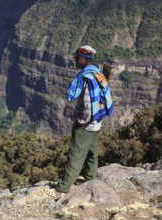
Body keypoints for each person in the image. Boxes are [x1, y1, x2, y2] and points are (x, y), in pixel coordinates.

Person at [46, 45, 113, 198]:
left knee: (75, 154)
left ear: (84, 59)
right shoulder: (97, 73)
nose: (75, 60)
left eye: (77, 57)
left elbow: (89, 103)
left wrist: (83, 122)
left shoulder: (87, 78)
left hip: (87, 123)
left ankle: (62, 188)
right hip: (96, 123)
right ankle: (91, 180)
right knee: (91, 153)